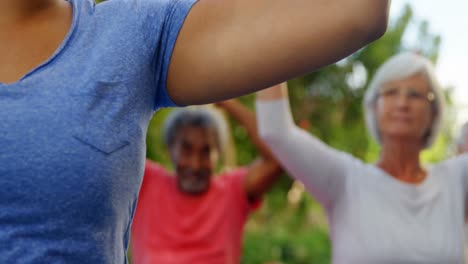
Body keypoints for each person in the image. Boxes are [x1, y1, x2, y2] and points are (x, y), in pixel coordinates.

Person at [0, 0, 390, 263]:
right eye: (187, 148)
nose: (195, 161)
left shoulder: (128, 35)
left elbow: (357, 11)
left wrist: (233, 104)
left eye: (206, 151)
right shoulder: (153, 184)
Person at [256, 52, 468, 263]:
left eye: (415, 94)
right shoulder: (345, 179)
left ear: (434, 112)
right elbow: (275, 130)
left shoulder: (455, 179)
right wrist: (271, 33)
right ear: (374, 107)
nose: (402, 103)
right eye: (391, 92)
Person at [130, 100, 281, 264]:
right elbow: (109, 143)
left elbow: (276, 159)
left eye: (206, 152)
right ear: (170, 149)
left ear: (218, 154)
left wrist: (226, 101)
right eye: (186, 150)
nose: (195, 165)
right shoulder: (145, 181)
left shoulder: (232, 191)